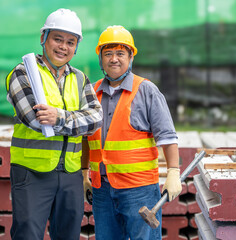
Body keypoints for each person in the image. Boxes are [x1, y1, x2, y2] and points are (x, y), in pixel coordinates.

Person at [5, 8, 102, 240]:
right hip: (31, 174)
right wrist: (76, 118)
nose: (63, 47)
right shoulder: (23, 73)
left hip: (71, 173)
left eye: (70, 42)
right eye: (57, 39)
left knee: (68, 235)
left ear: (76, 46)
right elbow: (34, 119)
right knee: (28, 234)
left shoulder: (80, 79)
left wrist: (58, 117)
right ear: (43, 39)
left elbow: (96, 119)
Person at [82, 25, 182, 240]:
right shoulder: (91, 92)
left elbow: (167, 136)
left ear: (130, 57)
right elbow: (85, 138)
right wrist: (84, 174)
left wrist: (173, 171)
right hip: (101, 187)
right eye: (108, 54)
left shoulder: (146, 90)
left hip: (139, 189)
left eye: (120, 53)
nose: (114, 59)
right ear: (100, 58)